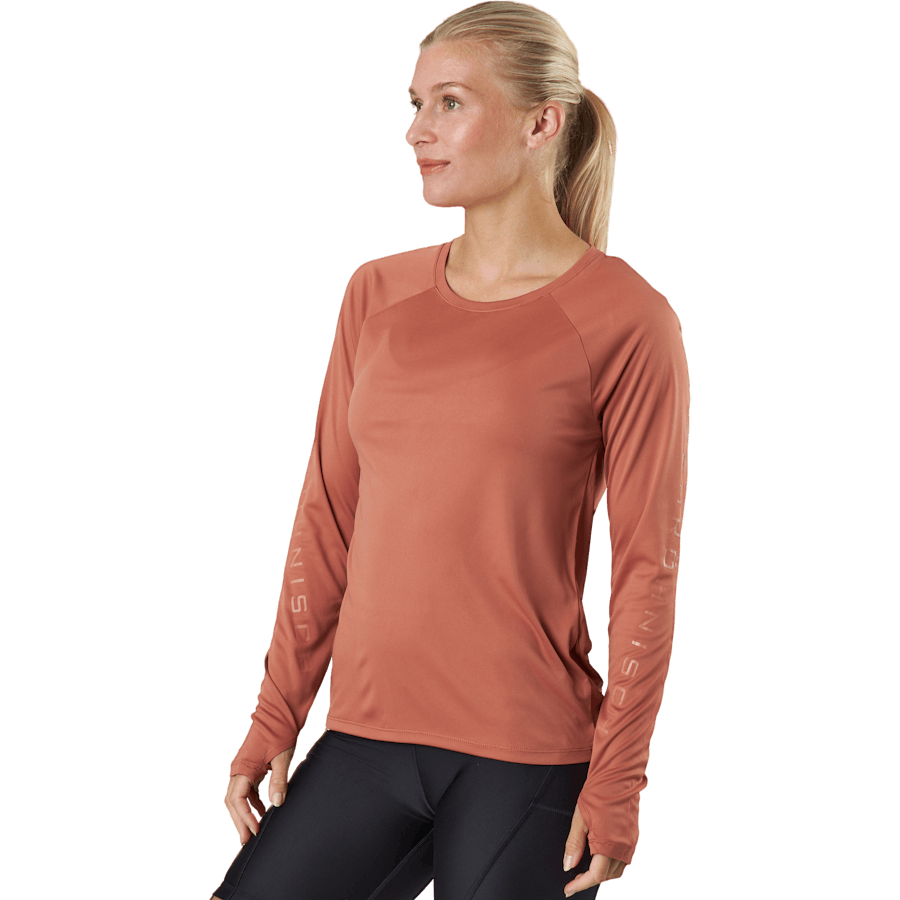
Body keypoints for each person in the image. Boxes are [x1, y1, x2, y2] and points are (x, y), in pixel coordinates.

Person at [210, 2, 691, 898]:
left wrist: (618, 780)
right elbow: (326, 520)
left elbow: (646, 571)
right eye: (416, 103)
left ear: (541, 124)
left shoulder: (628, 318)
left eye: (450, 103)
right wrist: (277, 712)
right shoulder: (376, 294)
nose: (415, 130)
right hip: (366, 737)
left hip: (529, 753)